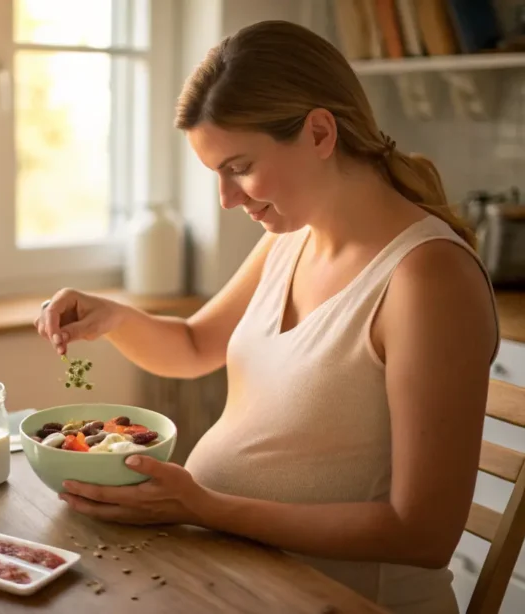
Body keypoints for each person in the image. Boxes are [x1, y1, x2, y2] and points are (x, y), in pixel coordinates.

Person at [33, 20, 499, 614]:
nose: (227, 200)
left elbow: (424, 535)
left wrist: (203, 506)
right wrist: (113, 318)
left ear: (320, 132)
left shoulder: (426, 280)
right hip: (233, 579)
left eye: (239, 166)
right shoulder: (291, 239)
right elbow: (194, 344)